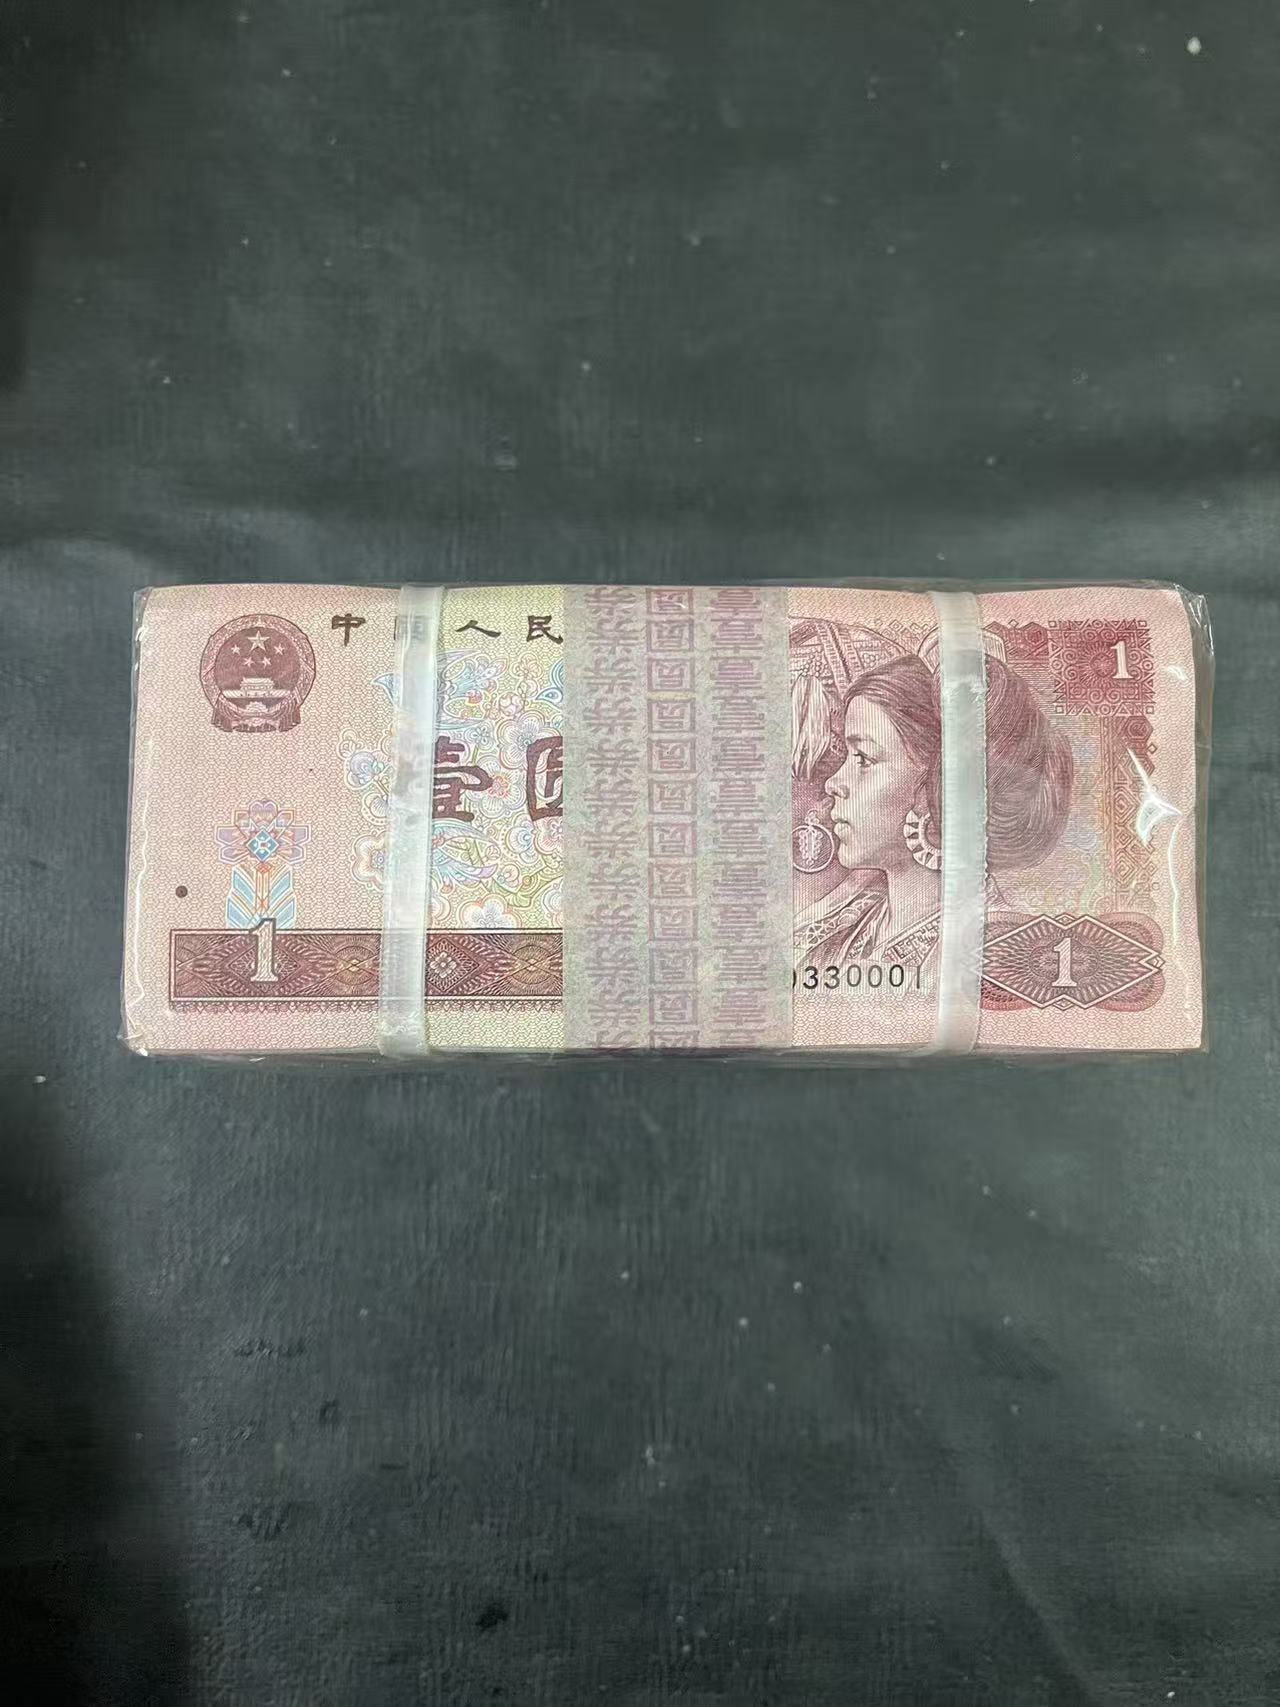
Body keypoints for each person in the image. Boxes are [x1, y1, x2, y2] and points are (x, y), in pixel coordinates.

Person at [794, 649, 1073, 970]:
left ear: (939, 785)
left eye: (864, 759)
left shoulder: (1001, 954)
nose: (833, 783)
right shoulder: (832, 944)